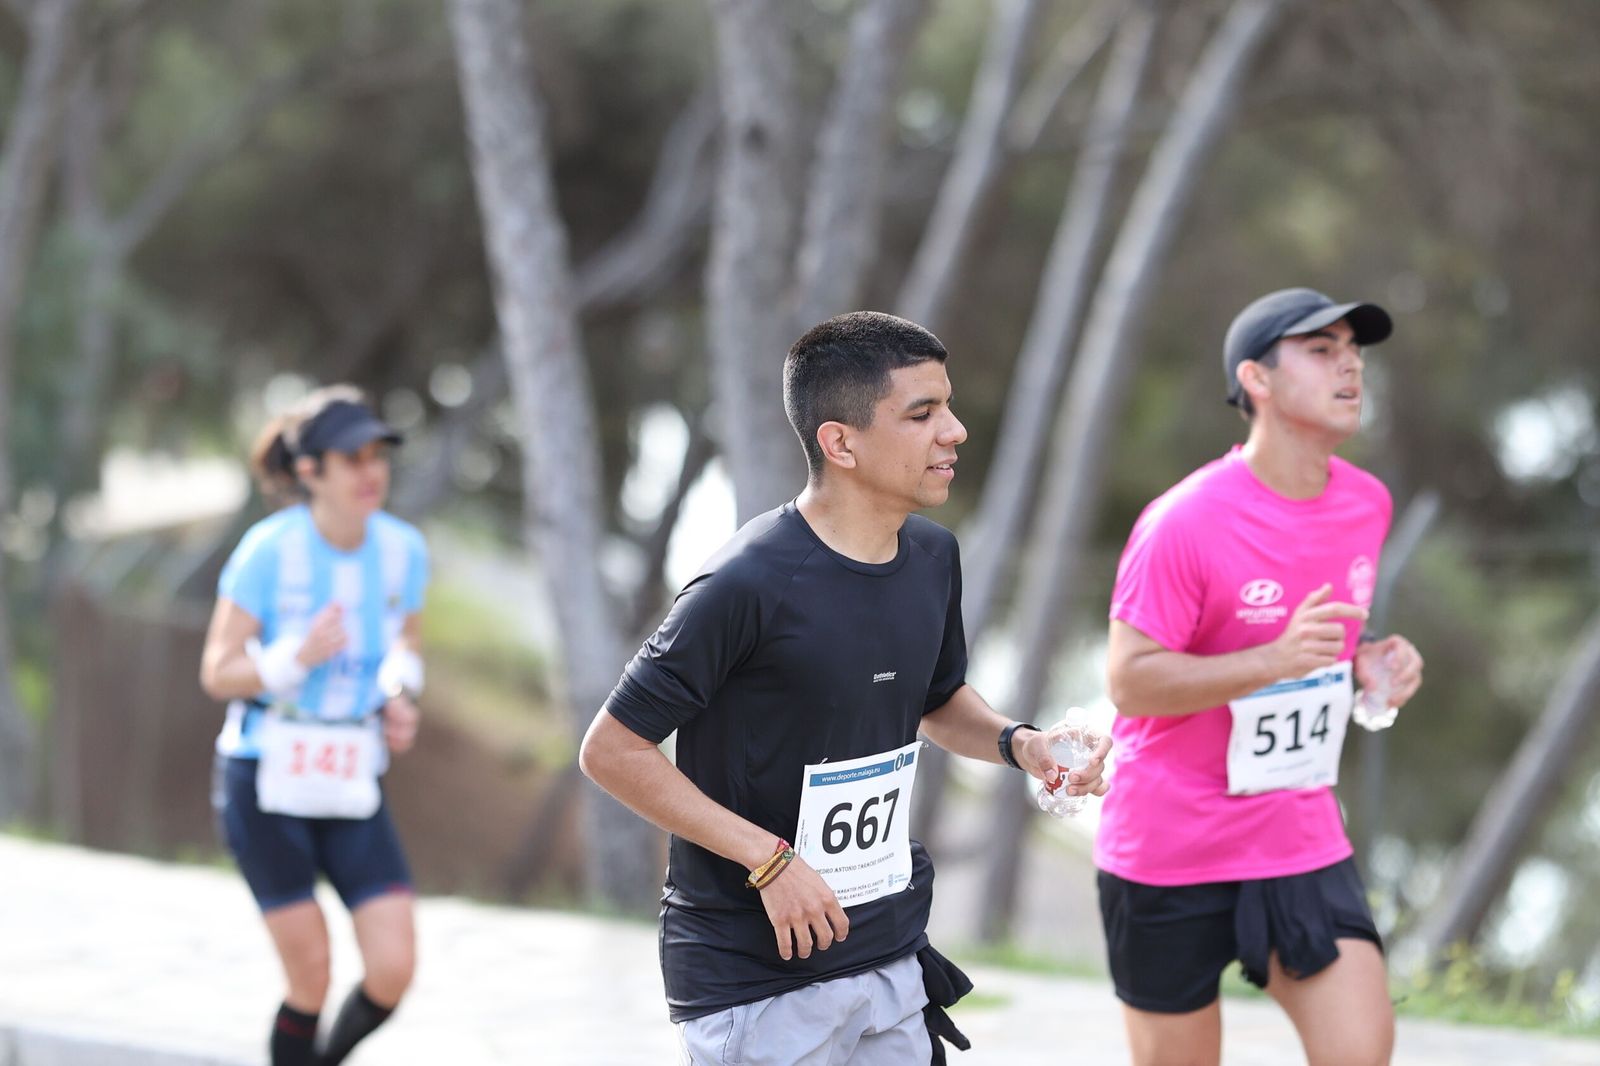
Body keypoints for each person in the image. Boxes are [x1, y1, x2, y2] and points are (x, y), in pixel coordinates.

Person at [579, 311, 1112, 1065]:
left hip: (888, 952)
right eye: (922, 414)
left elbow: (936, 699)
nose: (954, 431)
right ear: (841, 442)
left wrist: (1021, 744)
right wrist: (768, 859)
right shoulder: (746, 584)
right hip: (756, 978)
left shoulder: (932, 556)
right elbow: (611, 750)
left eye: (948, 406)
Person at [1098, 288, 1426, 1066]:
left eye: (1353, 349)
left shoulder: (1366, 504)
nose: (1349, 362)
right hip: (1168, 844)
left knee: (1360, 1051)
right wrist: (1272, 661)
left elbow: (1327, 640)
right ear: (1258, 379)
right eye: (1320, 349)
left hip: (1296, 833)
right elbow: (1130, 681)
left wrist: (1368, 660)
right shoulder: (1185, 521)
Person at [199, 385, 429, 1066]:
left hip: (350, 778)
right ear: (310, 472)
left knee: (393, 968)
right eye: (351, 458)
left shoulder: (402, 549)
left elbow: (405, 644)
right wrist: (290, 659)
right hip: (264, 780)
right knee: (312, 976)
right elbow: (216, 670)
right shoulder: (269, 551)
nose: (371, 472)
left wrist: (398, 694)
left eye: (378, 456)